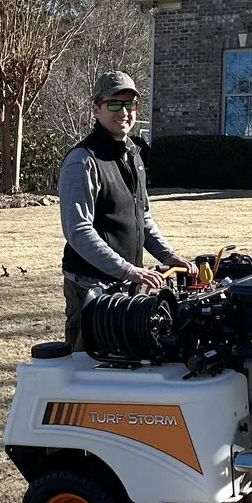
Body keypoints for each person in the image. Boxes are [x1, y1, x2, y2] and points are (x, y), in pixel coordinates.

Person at [58, 70, 197, 351]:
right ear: (96, 109)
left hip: (127, 285)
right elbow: (78, 231)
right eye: (114, 104)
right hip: (91, 288)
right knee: (86, 370)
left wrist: (169, 256)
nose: (124, 112)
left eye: (130, 104)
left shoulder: (133, 154)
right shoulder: (82, 161)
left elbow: (142, 217)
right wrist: (128, 270)